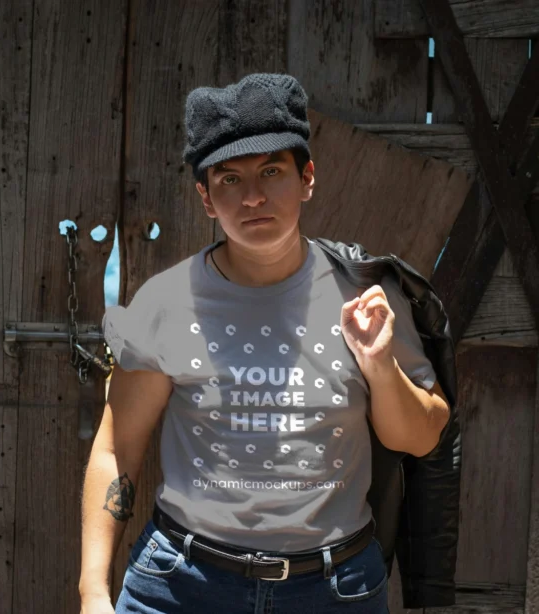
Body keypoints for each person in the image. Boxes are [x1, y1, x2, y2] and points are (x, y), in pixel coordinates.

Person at [78, 73, 451, 614]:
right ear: (206, 198)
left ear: (307, 179)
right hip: (182, 587)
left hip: (333, 589)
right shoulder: (165, 302)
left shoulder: (367, 295)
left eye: (272, 171)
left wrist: (378, 364)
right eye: (229, 180)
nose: (252, 196)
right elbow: (117, 450)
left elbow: (421, 438)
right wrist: (92, 590)